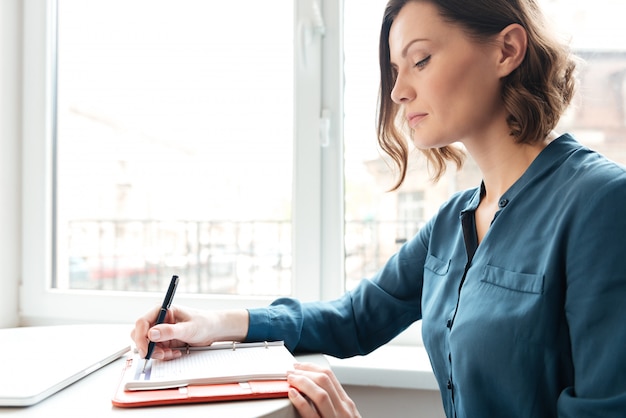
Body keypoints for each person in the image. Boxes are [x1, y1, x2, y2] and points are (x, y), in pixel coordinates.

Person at [131, 0, 626, 416]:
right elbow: (352, 319)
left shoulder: (601, 204)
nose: (397, 90)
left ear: (506, 50)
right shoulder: (453, 223)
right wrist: (210, 326)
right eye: (395, 70)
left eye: (422, 59)